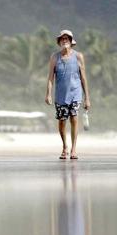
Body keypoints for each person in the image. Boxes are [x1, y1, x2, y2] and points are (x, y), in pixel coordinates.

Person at [45, 29, 90, 159]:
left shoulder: (78, 56)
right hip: (60, 95)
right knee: (62, 122)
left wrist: (87, 98)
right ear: (59, 42)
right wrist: (48, 94)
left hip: (76, 94)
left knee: (74, 119)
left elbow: (83, 78)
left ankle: (74, 149)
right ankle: (65, 146)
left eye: (67, 38)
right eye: (62, 39)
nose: (64, 40)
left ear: (71, 41)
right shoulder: (55, 57)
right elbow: (50, 78)